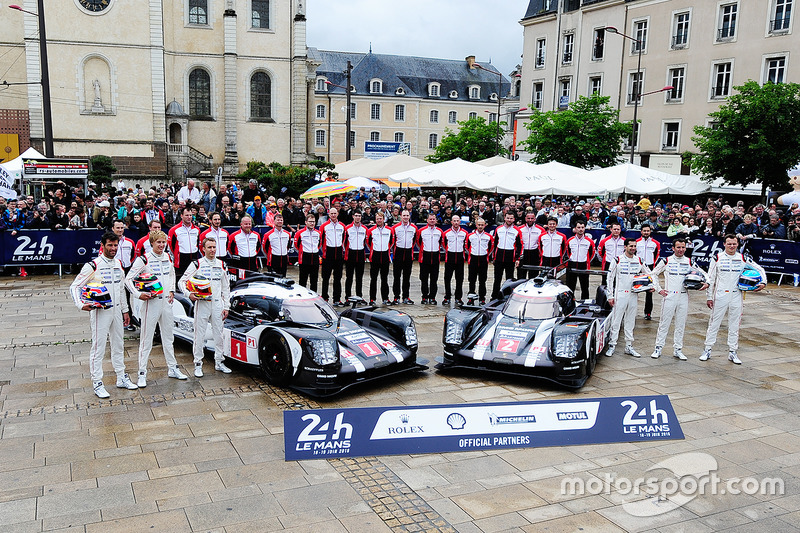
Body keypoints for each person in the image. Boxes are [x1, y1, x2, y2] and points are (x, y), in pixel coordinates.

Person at [69, 231, 138, 398]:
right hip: (100, 312)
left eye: (115, 245)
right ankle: (97, 382)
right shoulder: (93, 265)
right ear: (103, 246)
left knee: (118, 345)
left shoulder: (118, 264)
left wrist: (125, 310)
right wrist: (81, 304)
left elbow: (121, 289)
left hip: (116, 312)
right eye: (110, 245)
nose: (113, 248)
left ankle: (121, 377)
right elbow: (74, 287)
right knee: (98, 348)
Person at [125, 230, 187, 387]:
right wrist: (139, 294)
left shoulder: (167, 256)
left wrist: (172, 290)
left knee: (168, 338)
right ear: (151, 243)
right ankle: (141, 373)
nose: (161, 245)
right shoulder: (144, 259)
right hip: (150, 304)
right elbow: (128, 280)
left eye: (163, 242)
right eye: (158, 242)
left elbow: (172, 274)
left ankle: (172, 368)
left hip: (166, 303)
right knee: (146, 340)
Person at [701, 234, 767, 364]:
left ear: (737, 244)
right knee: (714, 323)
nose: (732, 246)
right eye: (729, 244)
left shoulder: (742, 258)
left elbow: (760, 268)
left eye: (734, 244)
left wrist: (763, 282)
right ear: (724, 244)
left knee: (735, 324)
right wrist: (709, 297)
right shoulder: (717, 258)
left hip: (736, 294)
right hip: (720, 295)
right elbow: (711, 278)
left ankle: (733, 351)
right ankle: (707, 349)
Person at [179, 237, 232, 377]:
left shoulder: (221, 264)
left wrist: (226, 306)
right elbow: (182, 282)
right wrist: (189, 294)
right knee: (199, 335)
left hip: (217, 304)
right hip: (202, 303)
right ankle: (198, 364)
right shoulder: (197, 264)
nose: (212, 250)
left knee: (219, 334)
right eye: (209, 247)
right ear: (203, 249)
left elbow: (226, 288)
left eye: (214, 247)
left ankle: (219, 361)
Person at [650, 237, 707, 360]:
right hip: (669, 295)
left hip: (683, 295)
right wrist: (659, 289)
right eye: (678, 247)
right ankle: (658, 348)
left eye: (683, 247)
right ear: (673, 248)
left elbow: (705, 274)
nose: (681, 250)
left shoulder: (689, 261)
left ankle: (678, 349)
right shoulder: (666, 260)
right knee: (664, 323)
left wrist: (706, 283)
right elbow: (653, 274)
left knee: (680, 324)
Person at [606, 238, 651, 358]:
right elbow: (609, 278)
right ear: (625, 247)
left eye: (635, 246)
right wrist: (610, 295)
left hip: (633, 294)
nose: (633, 248)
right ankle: (612, 345)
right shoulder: (617, 259)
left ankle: (629, 346)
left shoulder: (639, 260)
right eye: (631, 246)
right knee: (616, 320)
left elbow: (649, 274)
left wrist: (652, 286)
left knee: (630, 320)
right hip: (620, 294)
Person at [491, 212, 522, 299]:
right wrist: (494, 257)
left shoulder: (517, 230)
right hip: (499, 257)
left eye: (511, 218)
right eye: (508, 218)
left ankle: (508, 297)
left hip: (510, 257)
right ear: (504, 218)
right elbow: (495, 243)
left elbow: (519, 245)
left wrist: (517, 258)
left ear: (514, 219)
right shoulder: (498, 229)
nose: (509, 220)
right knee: (497, 279)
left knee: (509, 279)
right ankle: (494, 296)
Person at [319, 208, 346, 305]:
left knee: (338, 278)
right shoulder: (324, 226)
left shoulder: (342, 226)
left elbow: (344, 239)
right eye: (332, 213)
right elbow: (320, 240)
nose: (333, 215)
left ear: (338, 214)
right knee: (325, 278)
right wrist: (324, 251)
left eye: (335, 213)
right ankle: (325, 297)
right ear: (329, 214)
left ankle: (337, 299)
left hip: (338, 253)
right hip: (328, 253)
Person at [391, 209, 417, 305]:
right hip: (398, 252)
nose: (405, 217)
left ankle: (406, 297)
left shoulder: (414, 228)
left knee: (407, 277)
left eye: (407, 215)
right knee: (396, 277)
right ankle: (396, 297)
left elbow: (415, 240)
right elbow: (392, 241)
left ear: (409, 216)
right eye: (404, 215)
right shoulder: (395, 228)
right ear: (401, 216)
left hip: (408, 253)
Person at [417, 213, 444, 304]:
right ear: (427, 220)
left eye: (433, 219)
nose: (432, 221)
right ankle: (424, 297)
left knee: (434, 279)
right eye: (430, 219)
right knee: (424, 279)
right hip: (425, 256)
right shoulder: (421, 231)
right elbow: (418, 242)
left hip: (435, 256)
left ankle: (432, 297)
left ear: (436, 220)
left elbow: (441, 242)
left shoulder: (439, 231)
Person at [366, 211, 393, 305]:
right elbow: (368, 242)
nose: (379, 220)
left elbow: (391, 241)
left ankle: (385, 298)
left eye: (381, 218)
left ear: (384, 219)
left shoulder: (389, 230)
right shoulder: (371, 230)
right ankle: (372, 299)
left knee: (384, 279)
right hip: (375, 256)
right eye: (377, 218)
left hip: (385, 255)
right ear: (375, 220)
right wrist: (374, 250)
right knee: (373, 279)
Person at [636, 223, 661, 320]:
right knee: (634, 289)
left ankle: (648, 313)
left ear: (650, 232)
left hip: (650, 266)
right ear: (641, 231)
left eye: (648, 231)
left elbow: (656, 256)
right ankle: (631, 311)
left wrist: (652, 267)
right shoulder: (637, 242)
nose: (646, 232)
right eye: (644, 231)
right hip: (638, 267)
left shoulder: (655, 243)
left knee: (649, 291)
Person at [167, 207, 200, 280]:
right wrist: (177, 254)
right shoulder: (174, 230)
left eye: (190, 215)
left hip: (193, 256)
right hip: (181, 258)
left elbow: (197, 243)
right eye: (187, 215)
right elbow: (171, 246)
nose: (189, 217)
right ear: (181, 216)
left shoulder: (196, 229)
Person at [565, 221, 595, 300]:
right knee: (570, 287)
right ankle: (570, 302)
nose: (580, 229)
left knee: (585, 287)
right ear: (575, 229)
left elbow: (592, 254)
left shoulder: (589, 241)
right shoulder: (570, 240)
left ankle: (585, 305)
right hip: (572, 264)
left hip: (584, 265)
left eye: (582, 227)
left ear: (585, 228)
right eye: (578, 227)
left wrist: (586, 261)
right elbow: (568, 252)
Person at [466, 218, 493, 305]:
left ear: (485, 225)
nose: (480, 226)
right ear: (476, 225)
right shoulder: (470, 236)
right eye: (479, 225)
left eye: (482, 225)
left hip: (483, 259)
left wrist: (486, 254)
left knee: (482, 280)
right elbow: (466, 246)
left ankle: (482, 299)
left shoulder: (488, 236)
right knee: (472, 280)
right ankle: (471, 298)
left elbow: (491, 248)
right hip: (473, 259)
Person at [442, 215, 468, 306]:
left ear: (460, 222)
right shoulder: (446, 233)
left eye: (457, 221)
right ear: (451, 222)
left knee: (459, 279)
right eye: (454, 221)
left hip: (460, 257)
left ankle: (458, 298)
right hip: (450, 257)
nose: (456, 222)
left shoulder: (464, 233)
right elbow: (444, 244)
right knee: (447, 278)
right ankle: (447, 297)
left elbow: (466, 245)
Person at [343, 211, 368, 300]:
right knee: (349, 277)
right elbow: (344, 241)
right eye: (356, 216)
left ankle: (359, 296)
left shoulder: (364, 229)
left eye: (359, 216)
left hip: (360, 253)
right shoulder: (347, 228)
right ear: (353, 216)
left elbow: (367, 242)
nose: (358, 217)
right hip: (350, 254)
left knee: (359, 277)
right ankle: (347, 297)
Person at [295, 214, 321, 291]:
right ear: (306, 222)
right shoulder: (300, 233)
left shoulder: (318, 233)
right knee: (303, 280)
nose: (312, 223)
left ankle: (313, 297)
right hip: (304, 258)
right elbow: (296, 246)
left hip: (315, 257)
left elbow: (319, 244)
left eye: (313, 222)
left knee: (314, 281)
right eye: (310, 221)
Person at [518, 211, 544, 278]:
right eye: (528, 218)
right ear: (525, 218)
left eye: (532, 218)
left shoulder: (540, 229)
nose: (530, 220)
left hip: (534, 253)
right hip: (523, 253)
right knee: (521, 275)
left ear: (535, 219)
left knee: (533, 276)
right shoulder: (520, 229)